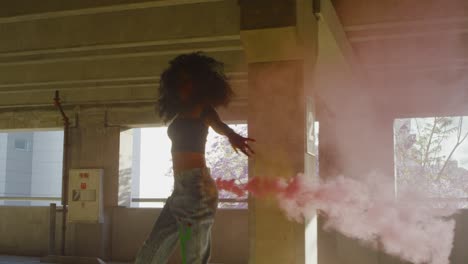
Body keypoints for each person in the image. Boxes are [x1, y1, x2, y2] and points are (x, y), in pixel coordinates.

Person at [134, 52, 255, 264]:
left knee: (194, 258)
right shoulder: (180, 114)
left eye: (188, 81)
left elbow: (220, 126)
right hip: (180, 191)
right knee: (150, 252)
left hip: (197, 189)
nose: (184, 86)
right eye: (180, 82)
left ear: (199, 84)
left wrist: (232, 136)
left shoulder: (202, 109)